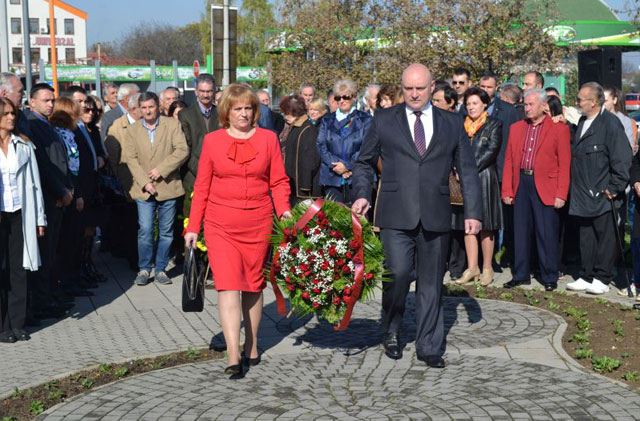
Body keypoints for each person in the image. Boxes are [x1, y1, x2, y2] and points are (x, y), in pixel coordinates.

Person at [352, 63, 482, 367]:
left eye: (419, 88)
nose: (413, 94)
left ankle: (429, 346)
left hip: (436, 215)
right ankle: (392, 328)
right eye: (408, 88)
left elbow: (467, 170)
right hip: (395, 214)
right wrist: (361, 194)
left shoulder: (452, 122)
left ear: (432, 86)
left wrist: (473, 212)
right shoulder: (384, 119)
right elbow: (363, 162)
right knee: (396, 274)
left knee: (431, 283)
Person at [184, 84, 291, 376]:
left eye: (248, 108)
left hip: (258, 222)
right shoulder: (213, 141)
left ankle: (252, 343)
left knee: (253, 285)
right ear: (226, 112)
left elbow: (279, 181)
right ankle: (233, 354)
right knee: (228, 284)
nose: (243, 114)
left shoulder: (268, 139)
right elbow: (202, 186)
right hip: (221, 224)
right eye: (237, 109)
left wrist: (285, 211)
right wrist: (193, 226)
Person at [502, 88, 571, 291]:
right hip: (521, 182)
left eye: (531, 104)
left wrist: (561, 193)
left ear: (543, 106)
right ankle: (521, 274)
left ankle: (549, 275)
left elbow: (564, 164)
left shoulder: (559, 129)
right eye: (525, 104)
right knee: (520, 231)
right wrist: (507, 189)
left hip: (546, 185)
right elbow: (509, 161)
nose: (527, 108)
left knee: (546, 232)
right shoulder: (516, 128)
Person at [566, 82, 631, 295]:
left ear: (593, 102)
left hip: (604, 193)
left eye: (580, 100)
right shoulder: (583, 121)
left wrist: (614, 187)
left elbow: (622, 158)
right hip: (583, 192)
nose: (577, 103)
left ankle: (603, 277)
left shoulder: (610, 124)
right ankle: (586, 275)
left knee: (606, 237)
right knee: (586, 236)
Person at [124, 92, 189, 286]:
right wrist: (145, 182)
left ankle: (160, 269)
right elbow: (131, 159)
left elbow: (182, 150)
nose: (147, 111)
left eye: (151, 107)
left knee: (166, 231)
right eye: (143, 108)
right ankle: (144, 268)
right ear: (139, 109)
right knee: (145, 229)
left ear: (158, 106)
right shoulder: (133, 130)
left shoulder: (172, 125)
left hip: (168, 186)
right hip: (144, 188)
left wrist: (161, 170)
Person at [0, 98, 46, 343]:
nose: (11, 118)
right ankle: (2, 326)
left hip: (20, 213)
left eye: (13, 113)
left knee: (19, 270)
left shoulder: (24, 145)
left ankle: (17, 324)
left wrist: (40, 218)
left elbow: (35, 184)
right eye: (6, 114)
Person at [27, 84, 77, 309]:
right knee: (45, 253)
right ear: (32, 102)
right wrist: (60, 191)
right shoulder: (33, 125)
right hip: (49, 198)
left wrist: (68, 188)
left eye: (52, 100)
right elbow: (44, 166)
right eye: (46, 100)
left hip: (59, 196)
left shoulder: (46, 124)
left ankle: (49, 295)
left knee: (52, 251)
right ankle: (42, 301)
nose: (50, 104)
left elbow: (61, 161)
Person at [453, 87, 502, 286]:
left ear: (484, 104)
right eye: (468, 104)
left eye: (475, 103)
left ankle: (487, 268)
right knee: (468, 225)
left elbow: (491, 152)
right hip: (461, 180)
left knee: (486, 225)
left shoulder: (494, 125)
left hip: (484, 178)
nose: (471, 107)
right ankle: (472, 267)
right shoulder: (460, 125)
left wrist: (467, 170)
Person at [317, 79, 371, 205]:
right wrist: (336, 165)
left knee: (358, 220)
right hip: (332, 176)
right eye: (338, 97)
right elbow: (321, 145)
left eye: (346, 97)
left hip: (357, 178)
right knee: (333, 220)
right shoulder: (327, 120)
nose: (341, 101)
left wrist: (348, 166)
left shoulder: (366, 120)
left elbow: (367, 147)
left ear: (354, 97)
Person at [104, 93, 141, 270]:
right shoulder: (118, 126)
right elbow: (112, 154)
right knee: (132, 222)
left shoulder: (150, 124)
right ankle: (133, 259)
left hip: (148, 181)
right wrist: (119, 177)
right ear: (134, 109)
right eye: (144, 107)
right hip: (129, 183)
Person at [178, 73, 219, 191]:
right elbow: (186, 147)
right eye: (202, 91)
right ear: (196, 91)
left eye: (209, 91)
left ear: (214, 92)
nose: (205, 95)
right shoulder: (185, 115)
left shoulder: (222, 113)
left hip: (218, 175)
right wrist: (203, 172)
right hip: (193, 176)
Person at [281, 94, 321, 204]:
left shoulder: (307, 129)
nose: (285, 116)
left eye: (287, 112)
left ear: (294, 111)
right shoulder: (295, 127)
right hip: (294, 187)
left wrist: (305, 186)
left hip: (303, 191)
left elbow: (310, 160)